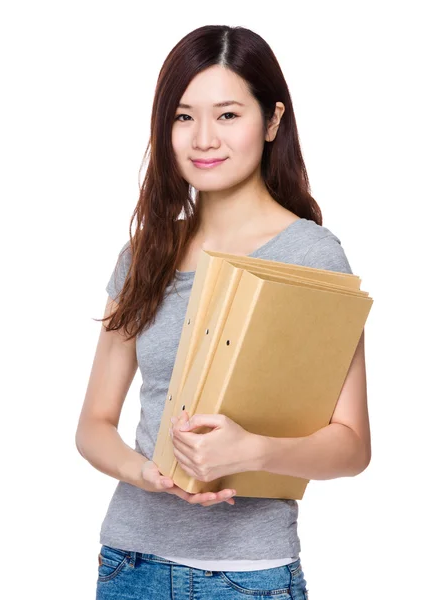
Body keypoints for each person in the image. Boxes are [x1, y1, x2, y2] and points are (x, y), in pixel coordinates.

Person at [75, 24, 371, 600]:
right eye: (184, 116)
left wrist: (252, 451)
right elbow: (93, 425)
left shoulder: (311, 255)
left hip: (247, 573)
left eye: (228, 115)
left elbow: (353, 444)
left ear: (273, 121)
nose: (203, 138)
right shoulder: (144, 254)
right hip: (128, 565)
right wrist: (148, 473)